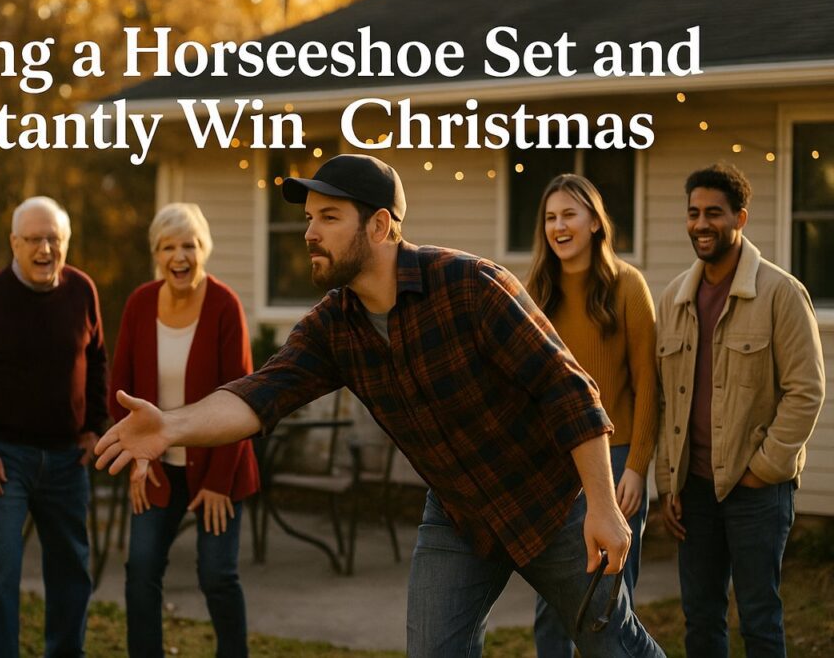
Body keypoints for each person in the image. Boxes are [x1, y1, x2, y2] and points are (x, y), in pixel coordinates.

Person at [96, 154, 665, 657]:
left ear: (380, 225)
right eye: (308, 218)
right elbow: (257, 395)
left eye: (328, 218)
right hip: (458, 515)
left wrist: (603, 505)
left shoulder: (469, 285)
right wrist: (172, 426)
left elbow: (568, 389)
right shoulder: (332, 327)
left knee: (611, 642)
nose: (309, 233)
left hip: (551, 503)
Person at [656, 163, 824, 657]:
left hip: (757, 493)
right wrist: (670, 483)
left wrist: (763, 469)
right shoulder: (673, 300)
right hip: (695, 493)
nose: (701, 224)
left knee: (759, 619)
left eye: (714, 213)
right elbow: (667, 399)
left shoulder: (780, 293)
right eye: (693, 213)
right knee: (701, 619)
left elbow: (805, 391)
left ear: (740, 218)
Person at [0, 196, 108, 658]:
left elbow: (99, 359)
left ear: (66, 242)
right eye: (35, 240)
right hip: (5, 459)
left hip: (68, 457)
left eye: (55, 239)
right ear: (14, 243)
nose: (46, 249)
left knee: (72, 570)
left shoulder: (82, 290)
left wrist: (95, 427)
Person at [111, 202, 259, 658]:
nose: (180, 256)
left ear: (203, 250)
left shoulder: (224, 305)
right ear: (156, 253)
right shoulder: (139, 304)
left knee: (216, 575)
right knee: (141, 571)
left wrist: (217, 484)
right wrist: (139, 457)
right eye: (168, 246)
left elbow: (242, 399)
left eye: (189, 245)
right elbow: (119, 389)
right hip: (155, 467)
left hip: (220, 466)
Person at [527, 174, 658, 657]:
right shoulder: (535, 293)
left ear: (595, 223)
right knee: (552, 607)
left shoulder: (628, 286)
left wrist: (638, 466)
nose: (558, 227)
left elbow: (648, 385)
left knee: (609, 605)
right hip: (556, 467)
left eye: (569, 215)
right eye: (549, 218)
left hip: (617, 460)